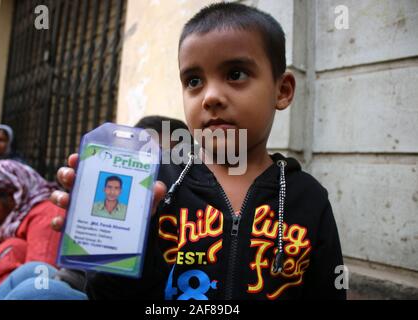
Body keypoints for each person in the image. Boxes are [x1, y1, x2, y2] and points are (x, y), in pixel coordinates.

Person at [49, 3, 346, 300]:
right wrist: (106, 253)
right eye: (193, 81)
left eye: (236, 74)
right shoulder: (152, 188)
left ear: (282, 91)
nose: (211, 96)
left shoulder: (309, 199)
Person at [0, 160, 65, 299]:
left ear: (13, 195)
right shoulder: (7, 218)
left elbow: (40, 279)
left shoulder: (47, 215)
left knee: (15, 246)